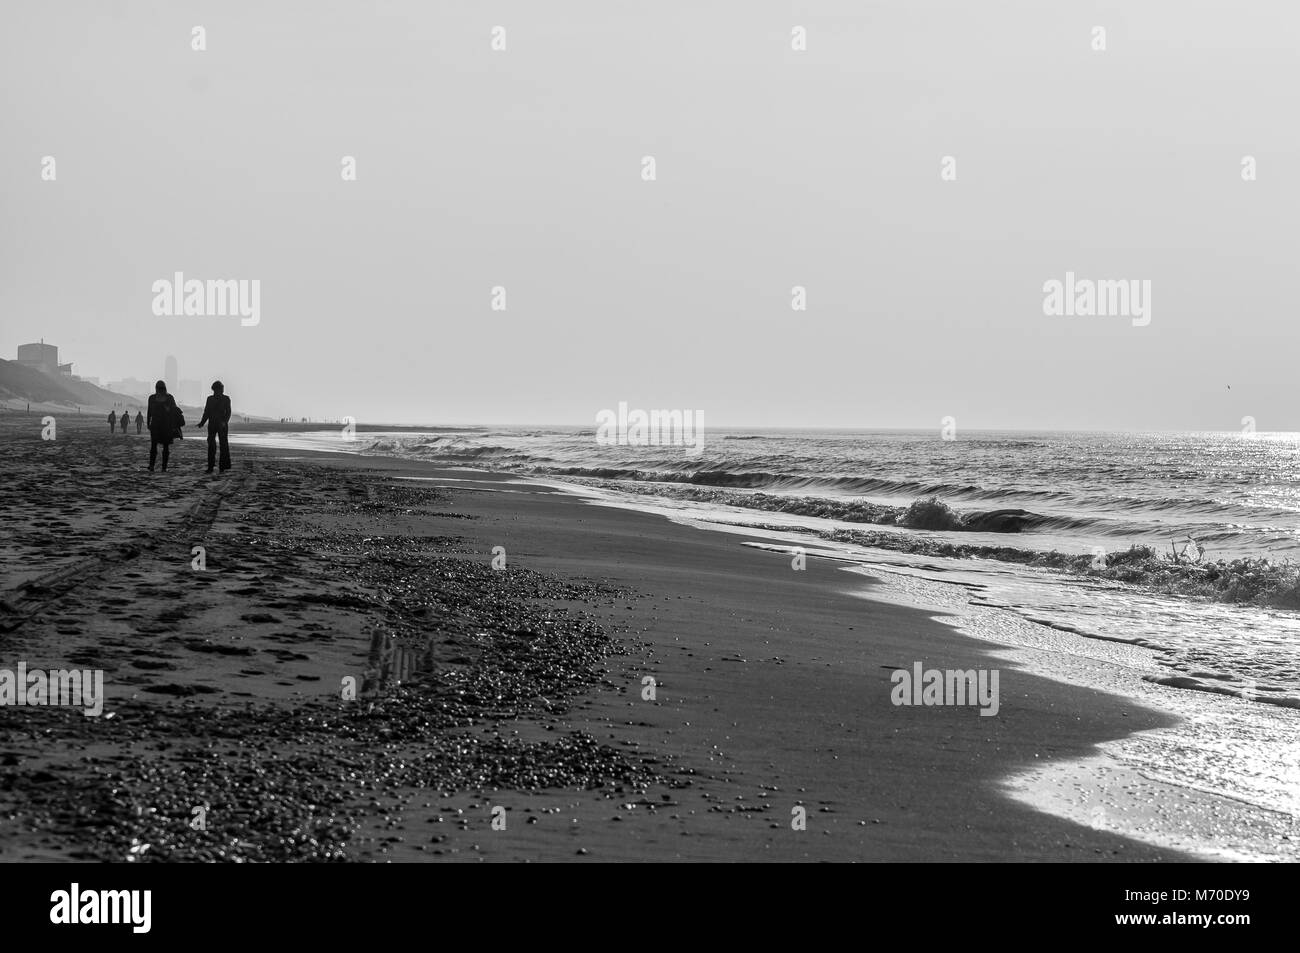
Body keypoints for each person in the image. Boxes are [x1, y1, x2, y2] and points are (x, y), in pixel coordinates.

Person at [198, 380, 232, 473]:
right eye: (220, 389)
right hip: (212, 425)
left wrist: (225, 422)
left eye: (222, 389)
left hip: (222, 425)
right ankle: (210, 467)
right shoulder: (210, 399)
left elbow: (228, 412)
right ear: (215, 389)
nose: (221, 390)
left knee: (223, 446)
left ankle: (222, 467)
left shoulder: (226, 399)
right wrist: (202, 423)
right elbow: (206, 412)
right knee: (211, 446)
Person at [146, 381, 180, 472]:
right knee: (160, 446)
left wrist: (148, 423)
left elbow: (174, 411)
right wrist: (148, 422)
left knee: (159, 446)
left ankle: (157, 466)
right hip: (160, 425)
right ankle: (158, 466)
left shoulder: (163, 398)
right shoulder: (155, 398)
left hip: (162, 425)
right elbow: (149, 412)